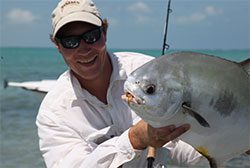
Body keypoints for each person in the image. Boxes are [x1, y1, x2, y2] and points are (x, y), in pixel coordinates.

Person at [36, 0, 209, 167]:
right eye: (70, 42)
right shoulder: (53, 113)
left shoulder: (149, 72)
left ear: (104, 31)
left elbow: (186, 146)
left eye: (91, 36)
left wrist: (216, 149)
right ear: (57, 45)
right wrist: (136, 139)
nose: (83, 48)